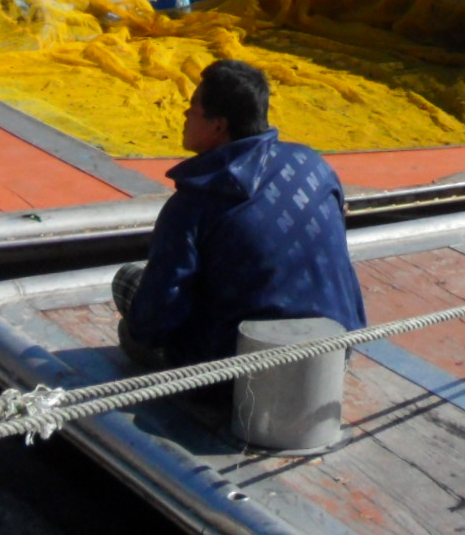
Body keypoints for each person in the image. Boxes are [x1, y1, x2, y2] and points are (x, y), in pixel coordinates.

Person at [113, 59, 365, 368]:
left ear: (218, 124)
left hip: (238, 376)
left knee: (128, 286)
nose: (185, 114)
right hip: (335, 351)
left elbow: (154, 319)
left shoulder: (193, 203)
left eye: (192, 107)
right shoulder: (314, 165)